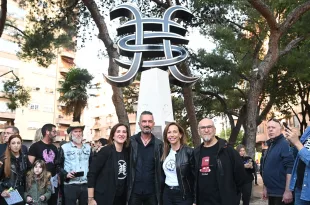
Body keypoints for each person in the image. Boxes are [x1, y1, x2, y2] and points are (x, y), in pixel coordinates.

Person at [194, 118, 246, 205]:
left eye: (209, 127)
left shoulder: (228, 151)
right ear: (199, 131)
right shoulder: (196, 153)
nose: (206, 130)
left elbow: (240, 178)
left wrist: (233, 198)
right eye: (203, 128)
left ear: (214, 130)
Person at [87, 123, 130, 205]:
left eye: (124, 132)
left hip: (121, 198)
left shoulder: (127, 152)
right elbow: (92, 174)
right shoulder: (105, 151)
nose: (121, 134)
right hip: (104, 197)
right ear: (113, 135)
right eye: (118, 132)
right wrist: (90, 198)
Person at [127, 111, 163, 205]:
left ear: (153, 124)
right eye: (144, 121)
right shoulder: (131, 142)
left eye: (150, 121)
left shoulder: (159, 145)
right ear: (139, 124)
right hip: (134, 192)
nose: (147, 124)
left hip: (152, 193)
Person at [57, 122, 92, 205]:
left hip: (85, 184)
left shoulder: (88, 147)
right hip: (70, 184)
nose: (78, 134)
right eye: (75, 131)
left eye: (80, 131)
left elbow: (92, 165)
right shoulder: (64, 148)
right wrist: (66, 174)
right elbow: (58, 165)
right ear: (71, 134)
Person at [261, 119, 294, 205]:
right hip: (272, 192)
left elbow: (290, 168)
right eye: (268, 127)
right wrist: (265, 187)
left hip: (281, 194)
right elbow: (266, 168)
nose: (270, 129)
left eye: (273, 127)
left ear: (280, 129)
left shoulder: (284, 144)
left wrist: (288, 191)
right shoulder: (271, 144)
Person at [161, 122, 194, 205]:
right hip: (167, 193)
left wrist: (195, 200)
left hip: (183, 195)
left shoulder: (189, 152)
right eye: (169, 132)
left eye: (175, 132)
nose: (172, 135)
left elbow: (196, 178)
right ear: (166, 136)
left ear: (180, 135)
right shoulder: (164, 152)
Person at [28, 123, 58, 205]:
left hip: (52, 181)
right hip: (39, 182)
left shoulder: (54, 147)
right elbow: (30, 165)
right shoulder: (35, 146)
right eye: (54, 131)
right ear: (47, 132)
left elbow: (56, 164)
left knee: (53, 201)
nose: (56, 134)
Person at [0, 135, 29, 205]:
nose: (16, 145)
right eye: (13, 143)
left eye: (18, 143)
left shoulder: (25, 158)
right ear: (9, 145)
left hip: (22, 192)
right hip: (8, 192)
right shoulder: (4, 159)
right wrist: (1, 191)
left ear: (21, 144)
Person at [285, 125, 310, 204]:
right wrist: (293, 142)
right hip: (300, 188)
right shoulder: (308, 131)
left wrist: (297, 142)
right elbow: (297, 156)